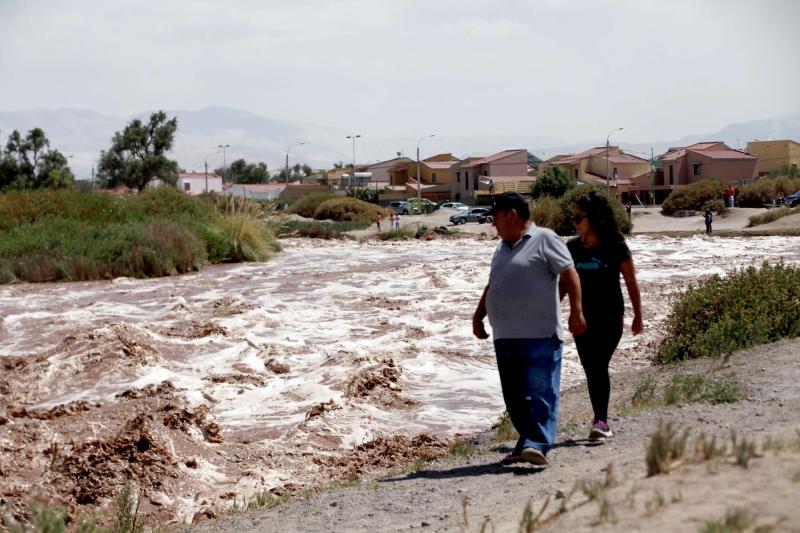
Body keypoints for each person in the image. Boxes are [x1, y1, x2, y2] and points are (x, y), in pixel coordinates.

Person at [473, 192, 586, 466]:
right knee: (515, 397)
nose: (493, 225)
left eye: (496, 218)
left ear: (511, 215)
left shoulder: (545, 238)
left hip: (540, 334)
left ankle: (538, 444)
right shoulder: (501, 248)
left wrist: (577, 312)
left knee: (540, 391)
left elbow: (569, 273)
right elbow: (493, 284)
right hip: (505, 335)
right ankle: (526, 441)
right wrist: (478, 316)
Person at [562, 190, 644, 441]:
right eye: (572, 218)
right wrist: (551, 312)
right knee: (591, 369)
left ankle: (601, 421)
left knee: (598, 365)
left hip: (610, 318)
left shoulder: (615, 245)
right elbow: (563, 285)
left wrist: (638, 316)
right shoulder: (572, 248)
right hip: (582, 320)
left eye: (578, 218)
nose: (574, 222)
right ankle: (600, 420)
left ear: (594, 218)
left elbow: (631, 281)